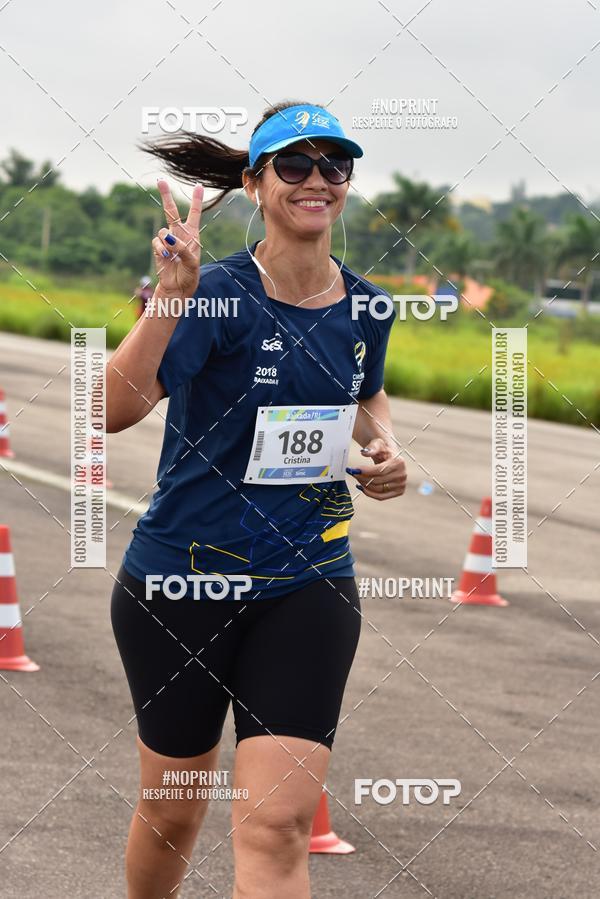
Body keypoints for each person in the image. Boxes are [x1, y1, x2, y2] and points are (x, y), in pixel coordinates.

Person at [106, 99, 407, 899]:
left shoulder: (368, 305)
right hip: (183, 580)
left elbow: (366, 393)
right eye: (296, 164)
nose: (318, 180)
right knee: (175, 808)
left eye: (334, 165)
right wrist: (171, 296)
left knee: (277, 824)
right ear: (256, 181)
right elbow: (109, 410)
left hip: (308, 581)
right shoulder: (212, 294)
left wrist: (383, 449)